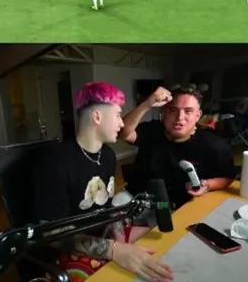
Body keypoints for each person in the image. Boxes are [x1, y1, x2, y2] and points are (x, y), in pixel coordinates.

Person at [31, 83, 175, 282]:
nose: (122, 124)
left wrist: (117, 236)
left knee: (162, 243)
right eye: (118, 115)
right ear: (97, 117)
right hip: (65, 251)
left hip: (103, 237)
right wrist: (114, 250)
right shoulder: (54, 162)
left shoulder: (107, 156)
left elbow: (105, 208)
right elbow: (51, 234)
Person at [119, 84, 237, 209]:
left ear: (198, 115)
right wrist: (147, 104)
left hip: (179, 208)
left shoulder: (215, 145)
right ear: (164, 112)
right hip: (137, 201)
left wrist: (208, 184)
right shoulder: (152, 131)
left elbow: (229, 177)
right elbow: (123, 133)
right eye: (173, 110)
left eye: (188, 111)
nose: (179, 118)